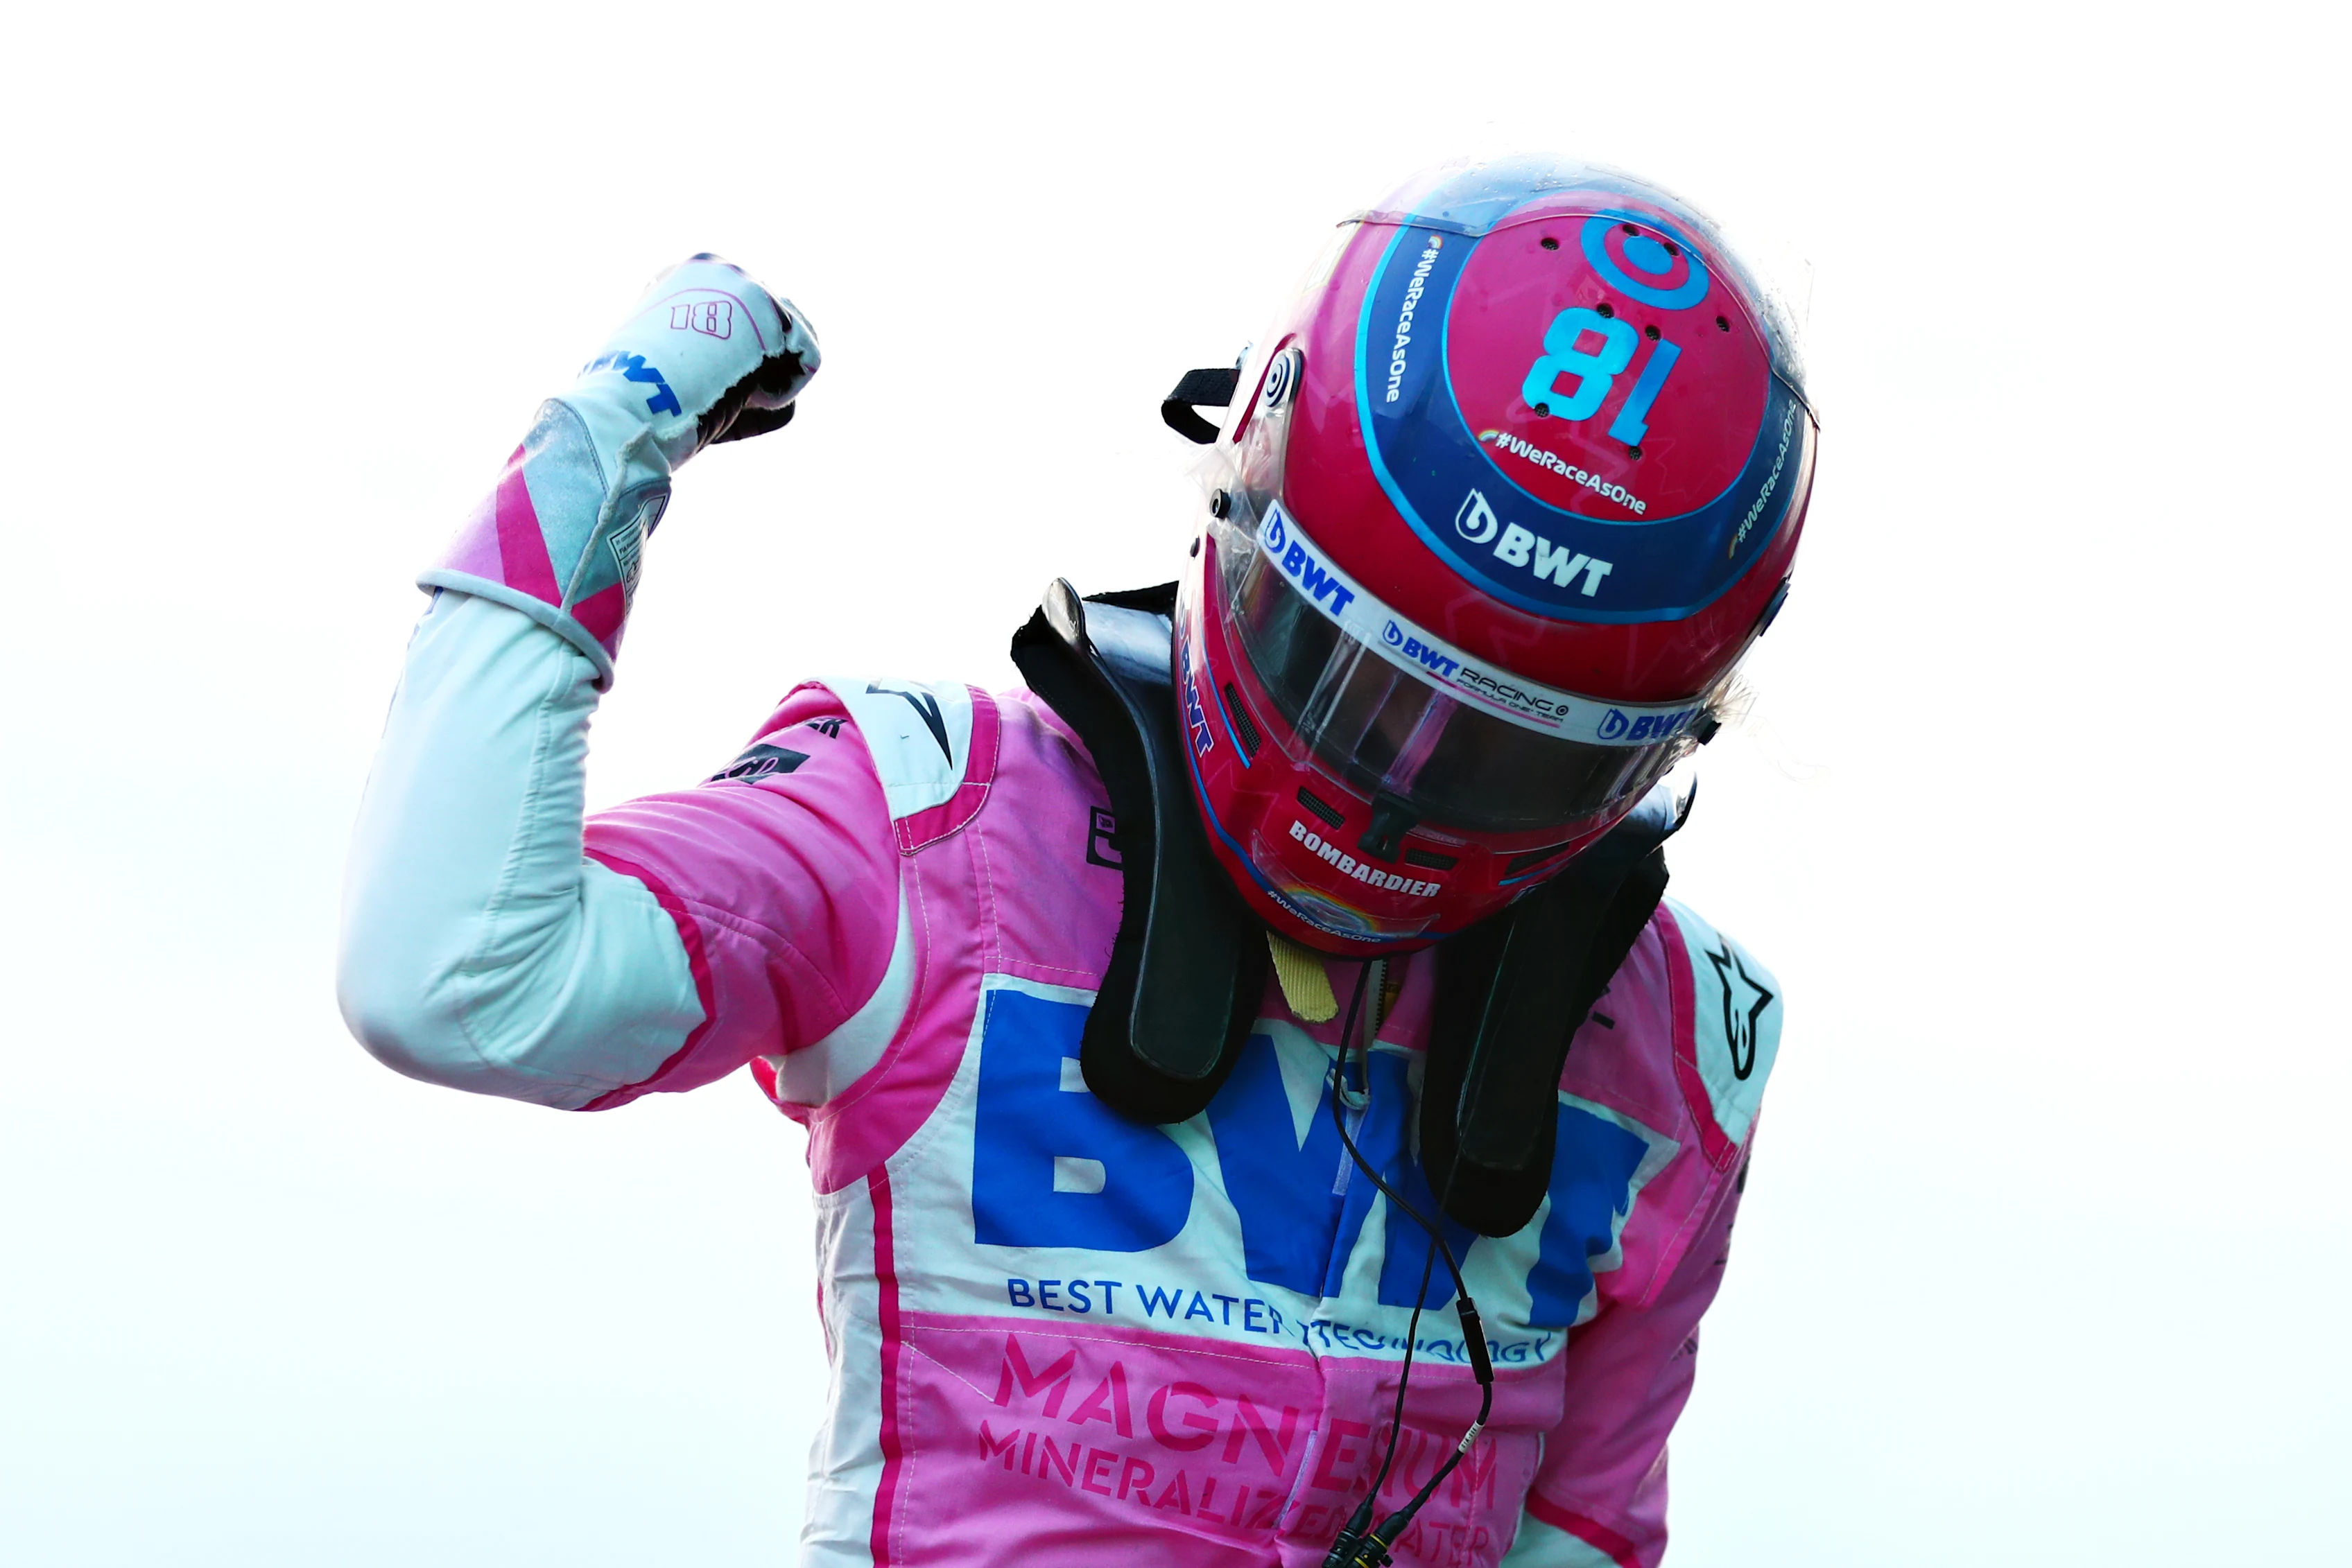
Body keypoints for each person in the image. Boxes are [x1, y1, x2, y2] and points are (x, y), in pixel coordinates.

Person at [339, 155, 1814, 1568]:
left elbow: (1585, 1532)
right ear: (1237, 493)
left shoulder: (1678, 1036)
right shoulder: (926, 817)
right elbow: (456, 978)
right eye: (1352, 680)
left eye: (1509, 753)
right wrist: (610, 435)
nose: (1398, 787)